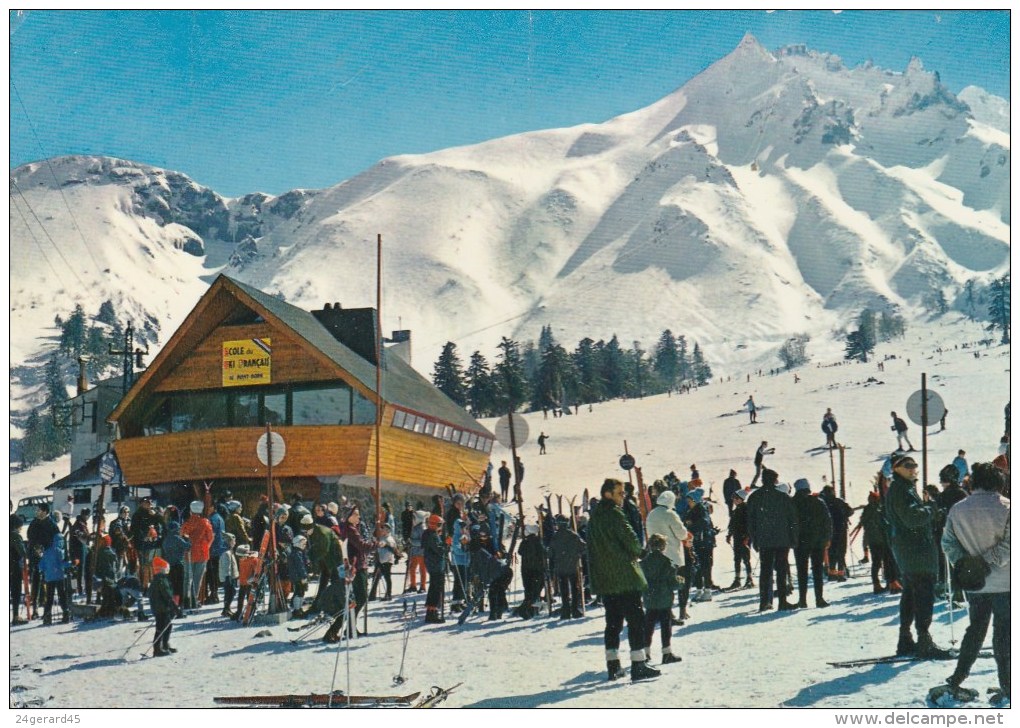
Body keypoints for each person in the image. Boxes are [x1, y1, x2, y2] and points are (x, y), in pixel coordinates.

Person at [941, 462, 1010, 704]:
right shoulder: (1008, 508)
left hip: (976, 585)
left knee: (974, 630)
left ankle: (957, 679)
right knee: (1004, 635)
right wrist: (987, 562)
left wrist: (967, 565)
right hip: (1006, 584)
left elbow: (948, 543)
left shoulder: (958, 509)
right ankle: (1009, 686)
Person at [588, 478, 660, 682]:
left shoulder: (595, 517)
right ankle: (638, 664)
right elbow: (631, 540)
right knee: (636, 621)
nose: (623, 497)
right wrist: (640, 551)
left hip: (606, 579)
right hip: (625, 577)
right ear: (607, 494)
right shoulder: (615, 514)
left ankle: (613, 665)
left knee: (612, 623)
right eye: (619, 493)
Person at [885, 454, 950, 658]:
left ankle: (906, 639)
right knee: (923, 594)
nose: (913, 468)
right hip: (916, 551)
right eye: (908, 465)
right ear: (896, 469)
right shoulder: (901, 490)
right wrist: (931, 509)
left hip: (909, 550)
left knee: (911, 594)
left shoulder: (902, 488)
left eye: (914, 465)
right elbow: (912, 517)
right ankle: (924, 641)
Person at [746, 468, 798, 613]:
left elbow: (750, 522)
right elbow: (792, 520)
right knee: (781, 570)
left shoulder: (755, 497)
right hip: (782, 540)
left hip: (764, 540)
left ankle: (765, 602)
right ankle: (782, 601)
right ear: (775, 480)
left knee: (765, 571)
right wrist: (793, 539)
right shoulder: (783, 497)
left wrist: (754, 539)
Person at [640, 534, 683, 665]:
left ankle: (645, 652)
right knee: (666, 626)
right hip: (664, 599)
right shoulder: (667, 562)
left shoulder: (643, 563)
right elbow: (673, 583)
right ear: (663, 546)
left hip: (649, 599)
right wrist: (680, 581)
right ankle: (666, 652)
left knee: (648, 626)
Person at [792, 479, 832, 608]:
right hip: (818, 542)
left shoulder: (792, 503)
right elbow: (827, 522)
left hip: (800, 542)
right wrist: (827, 539)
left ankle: (802, 599)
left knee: (801, 570)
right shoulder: (818, 502)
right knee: (817, 570)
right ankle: (819, 599)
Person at [858, 491, 895, 594]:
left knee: (876, 563)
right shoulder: (879, 509)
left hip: (872, 541)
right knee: (887, 562)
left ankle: (876, 584)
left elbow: (864, 523)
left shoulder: (866, 510)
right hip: (882, 540)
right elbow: (883, 524)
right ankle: (890, 582)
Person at [549, 515, 585, 619]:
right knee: (575, 588)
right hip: (573, 566)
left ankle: (565, 611)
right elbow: (583, 547)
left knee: (564, 590)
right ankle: (575, 610)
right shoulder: (573, 535)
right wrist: (576, 554)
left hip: (560, 567)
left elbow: (550, 553)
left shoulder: (555, 537)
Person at [180, 500, 213, 610]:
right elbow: (210, 537)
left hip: (188, 553)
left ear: (190, 511)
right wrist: (206, 546)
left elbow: (182, 535)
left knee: (187, 578)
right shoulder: (205, 522)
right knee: (197, 578)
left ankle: (186, 600)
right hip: (202, 553)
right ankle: (194, 600)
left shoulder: (186, 523)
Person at [820, 485, 853, 581]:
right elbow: (850, 511)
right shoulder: (839, 501)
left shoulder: (823, 503)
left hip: (829, 530)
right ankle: (841, 573)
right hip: (841, 529)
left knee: (831, 551)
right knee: (841, 551)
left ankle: (832, 573)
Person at [39, 530, 71, 625]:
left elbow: (41, 566)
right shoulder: (59, 551)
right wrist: (71, 564)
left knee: (49, 597)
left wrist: (47, 571)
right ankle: (66, 614)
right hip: (59, 577)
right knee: (62, 595)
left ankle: (47, 616)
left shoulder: (47, 551)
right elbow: (62, 564)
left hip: (49, 578)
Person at [148, 556, 176, 657]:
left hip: (160, 607)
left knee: (167, 625)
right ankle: (157, 649)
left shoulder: (157, 579)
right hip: (161, 608)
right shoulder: (161, 580)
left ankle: (164, 645)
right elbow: (167, 594)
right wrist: (173, 605)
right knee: (161, 627)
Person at [725, 489, 754, 589]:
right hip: (737, 537)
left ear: (741, 499)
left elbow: (750, 525)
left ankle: (749, 579)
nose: (734, 500)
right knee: (737, 558)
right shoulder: (736, 510)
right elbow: (732, 524)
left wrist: (748, 537)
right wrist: (729, 534)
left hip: (744, 537)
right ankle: (737, 579)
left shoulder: (746, 509)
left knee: (746, 558)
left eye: (736, 498)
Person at [422, 514, 447, 623]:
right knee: (436, 589)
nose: (440, 527)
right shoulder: (433, 536)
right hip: (436, 564)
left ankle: (431, 611)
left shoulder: (428, 534)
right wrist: (446, 544)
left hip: (432, 564)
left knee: (434, 588)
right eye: (439, 524)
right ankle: (432, 613)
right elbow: (439, 550)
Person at [369, 524, 397, 602]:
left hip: (387, 561)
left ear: (387, 530)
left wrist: (385, 545)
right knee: (375, 577)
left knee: (387, 578)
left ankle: (388, 594)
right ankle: (372, 594)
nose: (381, 530)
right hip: (380, 560)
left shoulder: (390, 539)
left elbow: (392, 549)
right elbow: (374, 535)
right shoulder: (381, 537)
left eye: (383, 528)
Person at [10, 513, 29, 625]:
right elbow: (22, 552)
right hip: (14, 567)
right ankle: (16, 616)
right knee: (15, 591)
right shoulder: (15, 536)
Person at [219, 532, 238, 618]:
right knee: (229, 593)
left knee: (232, 592)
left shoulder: (230, 552)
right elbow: (227, 567)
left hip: (231, 577)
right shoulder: (226, 553)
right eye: (233, 541)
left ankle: (227, 608)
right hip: (228, 578)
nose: (234, 543)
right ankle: (226, 609)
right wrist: (228, 577)